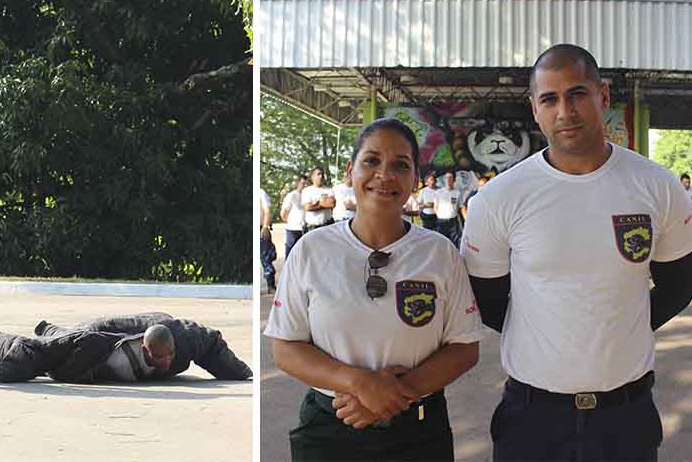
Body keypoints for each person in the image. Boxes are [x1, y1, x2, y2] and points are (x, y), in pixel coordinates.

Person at [461, 43, 692, 462]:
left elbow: (679, 286)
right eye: (550, 99)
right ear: (535, 108)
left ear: (602, 95)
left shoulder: (658, 186)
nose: (564, 111)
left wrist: (621, 326)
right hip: (531, 418)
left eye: (577, 94)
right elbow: (489, 302)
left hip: (627, 416)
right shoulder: (498, 198)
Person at [265, 117, 483, 462]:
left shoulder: (440, 253)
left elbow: (465, 347)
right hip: (330, 428)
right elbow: (286, 348)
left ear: (415, 179)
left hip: (418, 430)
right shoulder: (311, 250)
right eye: (371, 161)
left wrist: (392, 396)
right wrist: (360, 384)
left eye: (401, 165)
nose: (385, 174)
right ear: (350, 171)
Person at [0, 312, 252, 383]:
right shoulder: (93, 341)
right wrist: (12, 370)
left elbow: (213, 344)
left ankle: (50, 328)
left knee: (59, 342)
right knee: (42, 355)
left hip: (151, 325)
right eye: (160, 358)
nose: (167, 363)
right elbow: (29, 352)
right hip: (88, 348)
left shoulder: (186, 339)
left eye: (170, 357)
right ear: (145, 351)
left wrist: (239, 371)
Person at [281, 175, 308, 259]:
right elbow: (283, 212)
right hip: (292, 229)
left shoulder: (308, 195)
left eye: (306, 184)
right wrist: (290, 222)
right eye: (303, 183)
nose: (305, 185)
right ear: (298, 183)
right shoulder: (292, 195)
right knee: (290, 254)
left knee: (302, 254)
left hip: (305, 228)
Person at [434, 171, 462, 247]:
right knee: (441, 242)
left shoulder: (458, 193)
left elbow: (460, 208)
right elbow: (435, 207)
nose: (448, 179)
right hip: (441, 221)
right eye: (446, 177)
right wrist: (440, 217)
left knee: (454, 242)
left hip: (453, 222)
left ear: (454, 180)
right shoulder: (438, 192)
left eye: (450, 177)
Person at [259, 188, 277, 291]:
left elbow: (267, 211)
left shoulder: (261, 192)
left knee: (266, 258)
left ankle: (271, 285)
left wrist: (265, 226)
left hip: (261, 228)